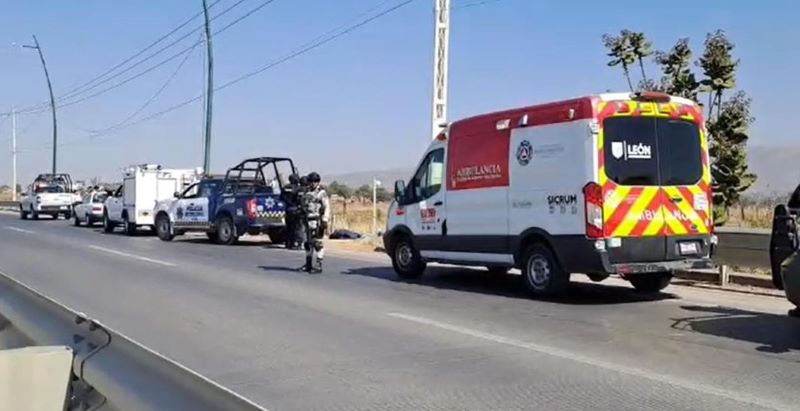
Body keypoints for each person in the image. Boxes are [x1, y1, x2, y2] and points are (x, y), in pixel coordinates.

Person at [298, 171, 330, 273]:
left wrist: (325, 220)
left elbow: (327, 207)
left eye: (314, 182)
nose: (312, 184)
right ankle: (308, 264)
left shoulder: (321, 193)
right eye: (310, 181)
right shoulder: (306, 192)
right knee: (307, 243)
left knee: (317, 243)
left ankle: (318, 264)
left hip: (317, 221)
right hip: (306, 220)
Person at [282, 174, 305, 250]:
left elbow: (281, 198)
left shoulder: (285, 188)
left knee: (289, 227)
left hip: (288, 209)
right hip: (296, 209)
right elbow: (300, 200)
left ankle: (288, 243)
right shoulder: (299, 189)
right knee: (297, 227)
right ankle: (298, 243)